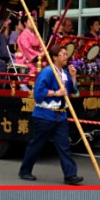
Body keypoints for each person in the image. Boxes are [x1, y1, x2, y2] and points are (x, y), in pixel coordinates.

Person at [18, 44, 83, 184]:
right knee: (36, 145)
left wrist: (73, 77)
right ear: (54, 57)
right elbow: (38, 94)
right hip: (44, 115)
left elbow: (73, 91)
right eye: (63, 54)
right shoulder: (47, 72)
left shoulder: (64, 73)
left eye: (66, 54)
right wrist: (55, 93)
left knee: (64, 146)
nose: (66, 56)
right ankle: (25, 170)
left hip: (61, 116)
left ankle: (70, 175)